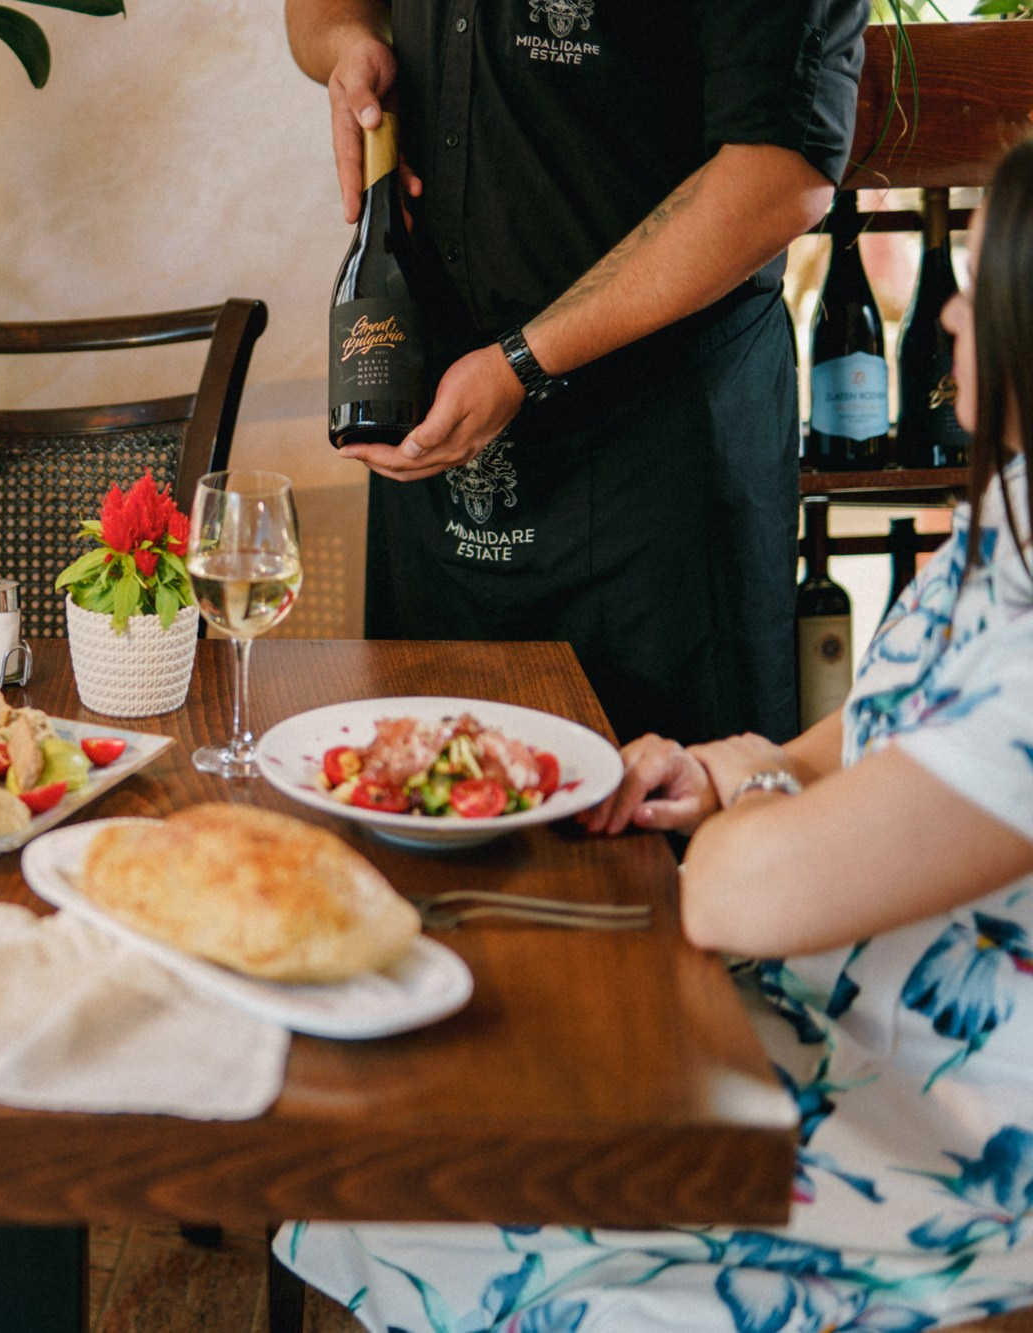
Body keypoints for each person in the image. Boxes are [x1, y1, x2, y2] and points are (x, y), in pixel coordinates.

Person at [278, 135, 1033, 1332]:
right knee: (383, 1135)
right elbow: (878, 721)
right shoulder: (1007, 523)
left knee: (430, 1180)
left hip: (928, 1144)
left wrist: (754, 809)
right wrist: (737, 764)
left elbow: (727, 899)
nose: (945, 319)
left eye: (976, 293)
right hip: (810, 1014)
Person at [285, 0, 868, 745]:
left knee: (665, 802)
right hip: (442, 440)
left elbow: (781, 174)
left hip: (654, 457)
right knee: (426, 782)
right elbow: (318, 12)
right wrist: (351, 45)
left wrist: (522, 362)